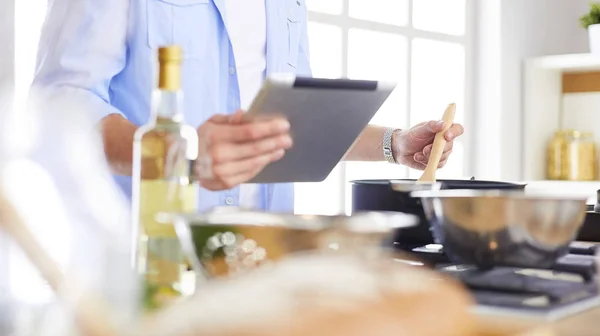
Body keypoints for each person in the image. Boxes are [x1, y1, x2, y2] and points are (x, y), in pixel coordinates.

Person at [32, 0, 464, 213]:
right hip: (151, 264)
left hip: (264, 265)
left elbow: (292, 124)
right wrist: (179, 156)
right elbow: (59, 102)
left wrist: (395, 144)